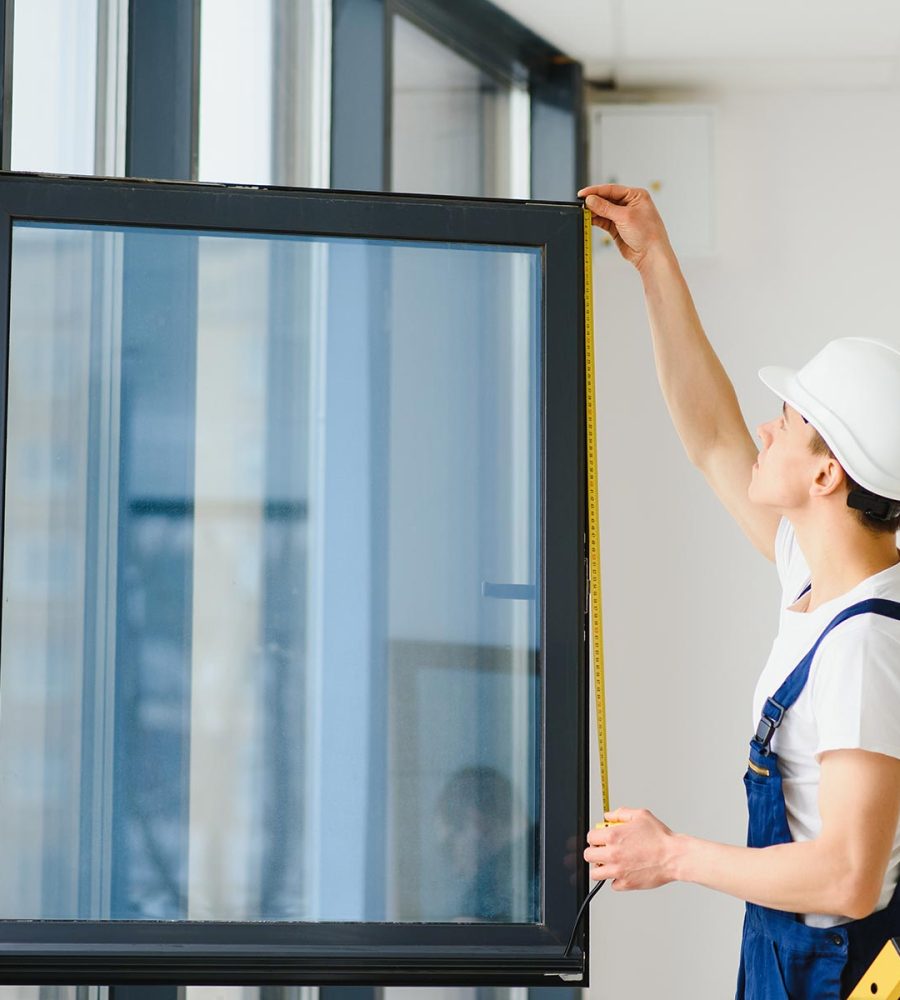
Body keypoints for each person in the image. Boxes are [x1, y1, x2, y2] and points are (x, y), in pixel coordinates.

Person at [578, 182, 900, 998]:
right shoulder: (816, 572)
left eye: (788, 420)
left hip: (831, 973)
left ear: (828, 472)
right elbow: (711, 433)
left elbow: (851, 878)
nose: (765, 425)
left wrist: (673, 854)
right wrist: (653, 257)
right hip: (791, 953)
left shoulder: (864, 644)